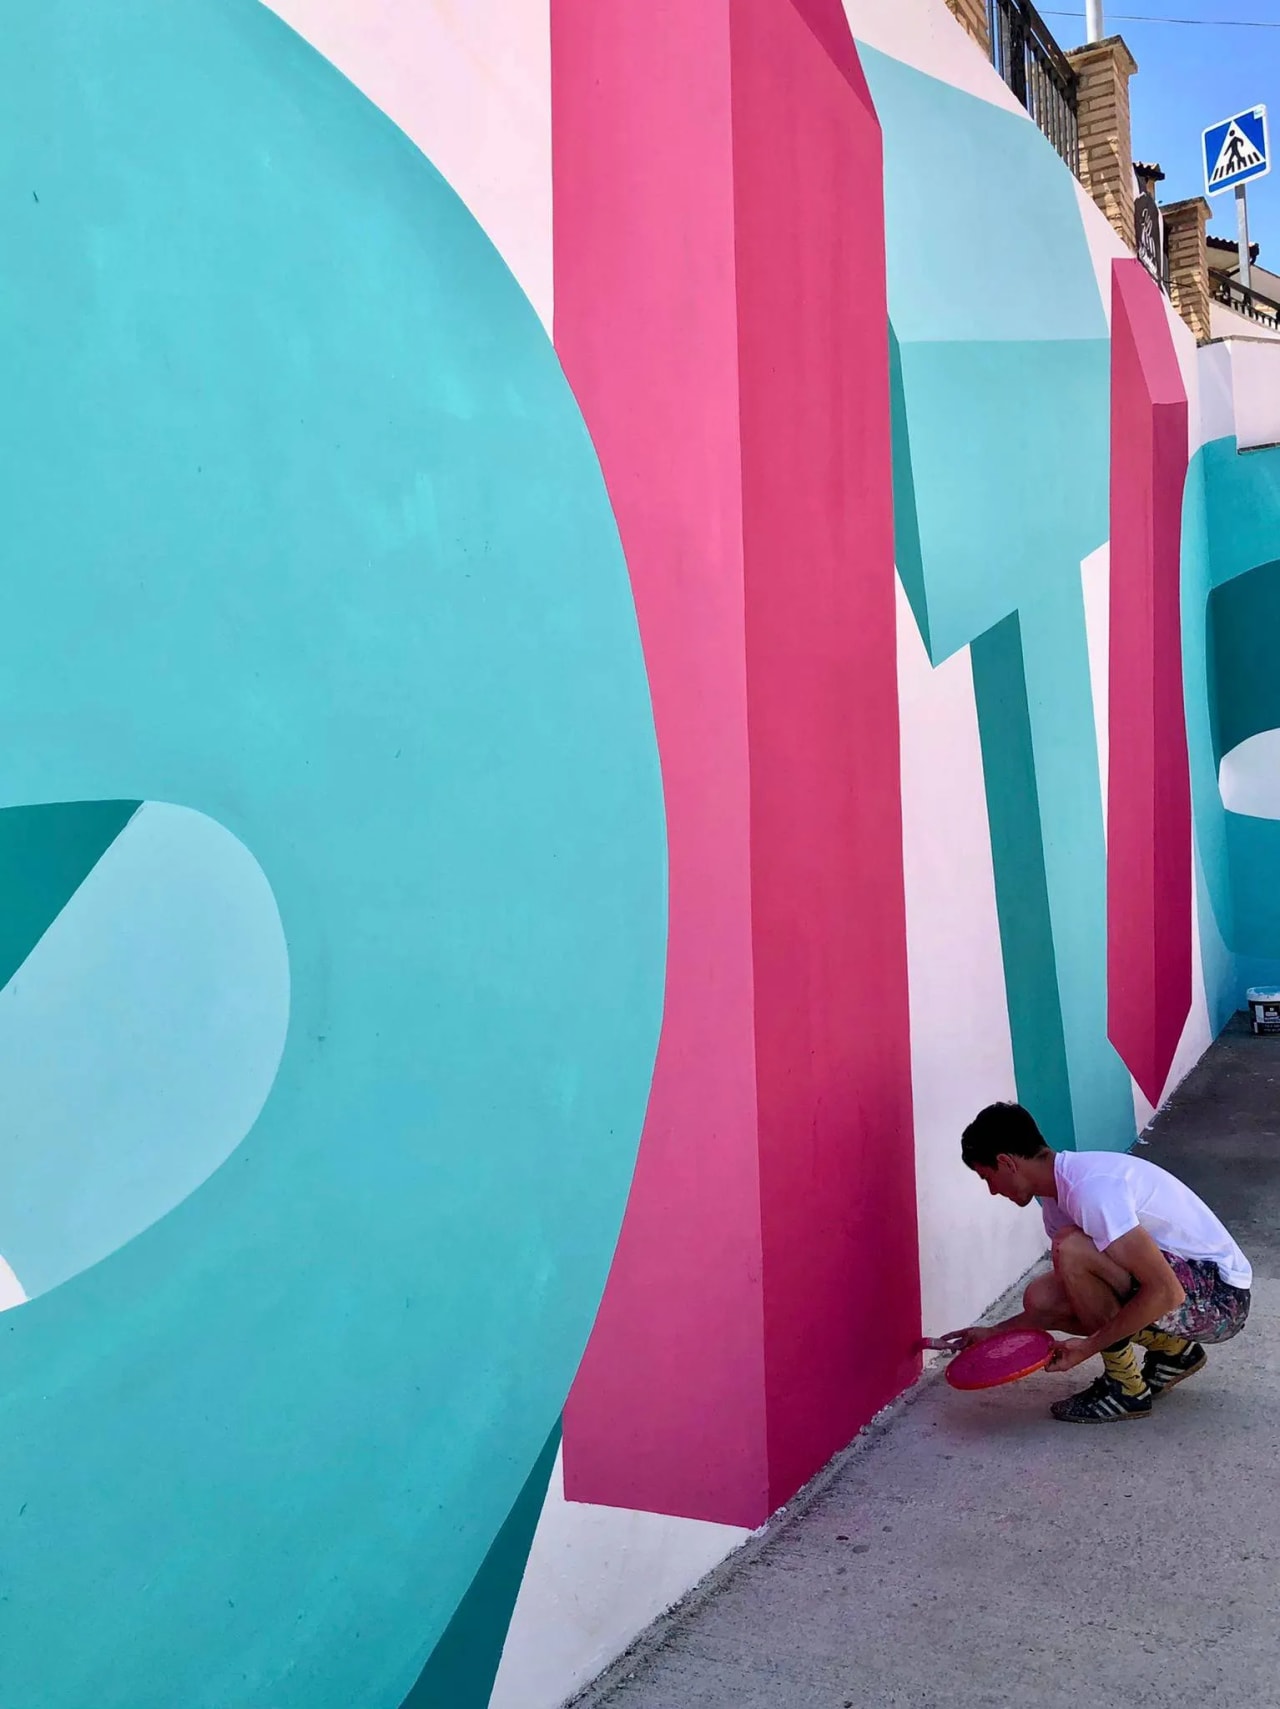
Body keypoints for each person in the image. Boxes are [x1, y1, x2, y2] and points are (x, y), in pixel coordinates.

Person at [946, 1102, 1252, 1423]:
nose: (993, 1191)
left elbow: (1166, 1292)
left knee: (1072, 1249)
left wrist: (1087, 1348)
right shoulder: (1057, 1200)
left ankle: (1125, 1390)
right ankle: (1175, 1352)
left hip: (1221, 1300)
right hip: (1190, 1287)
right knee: (1043, 1299)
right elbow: (1090, 1296)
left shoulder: (1090, 1190)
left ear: (1005, 1162)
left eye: (986, 1177)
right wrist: (993, 1332)